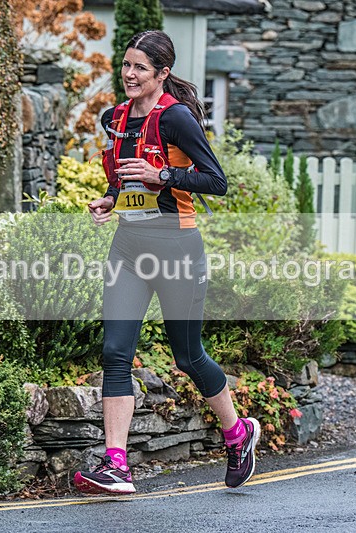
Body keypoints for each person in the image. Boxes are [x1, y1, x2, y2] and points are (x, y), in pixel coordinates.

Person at [75, 30, 261, 495]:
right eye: (126, 65)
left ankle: (238, 432)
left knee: (187, 356)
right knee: (115, 353)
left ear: (162, 73)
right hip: (128, 247)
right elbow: (125, 177)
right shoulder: (116, 118)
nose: (130, 74)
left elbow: (216, 180)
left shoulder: (176, 118)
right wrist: (110, 199)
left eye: (140, 67)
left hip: (177, 248)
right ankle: (117, 465)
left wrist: (164, 174)